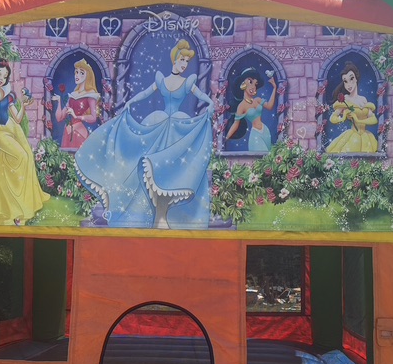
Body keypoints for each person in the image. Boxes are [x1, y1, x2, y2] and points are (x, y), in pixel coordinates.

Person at [75, 39, 213, 229]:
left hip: (178, 129)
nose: (183, 65)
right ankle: (156, 216)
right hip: (159, 124)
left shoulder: (188, 82)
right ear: (174, 59)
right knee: (151, 171)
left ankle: (164, 217)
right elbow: (146, 93)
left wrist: (210, 103)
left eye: (186, 62)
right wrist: (131, 102)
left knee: (169, 174)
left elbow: (201, 96)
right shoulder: (162, 80)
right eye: (181, 60)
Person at [0, 59, 50, 225]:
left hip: (13, 128)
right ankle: (17, 206)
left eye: (4, 76)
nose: (1, 79)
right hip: (0, 132)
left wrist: (24, 105)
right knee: (22, 157)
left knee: (27, 156)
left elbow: (18, 119)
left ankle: (26, 200)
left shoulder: (9, 95)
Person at [325, 62, 378, 153]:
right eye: (345, 81)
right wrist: (342, 118)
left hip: (366, 137)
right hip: (353, 135)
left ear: (356, 79)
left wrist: (359, 120)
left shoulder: (363, 100)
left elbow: (374, 119)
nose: (349, 84)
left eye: (351, 78)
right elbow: (332, 118)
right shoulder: (345, 100)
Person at [50, 59, 100, 150]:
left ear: (87, 75)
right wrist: (59, 101)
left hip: (79, 132)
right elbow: (59, 117)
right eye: (76, 72)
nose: (77, 75)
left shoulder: (91, 94)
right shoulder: (73, 95)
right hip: (67, 132)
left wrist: (76, 116)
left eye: (81, 73)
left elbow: (93, 117)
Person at [225, 67, 278, 152]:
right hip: (256, 135)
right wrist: (226, 138)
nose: (253, 86)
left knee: (269, 160)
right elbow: (236, 124)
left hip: (265, 131)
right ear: (243, 84)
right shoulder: (241, 106)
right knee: (260, 161)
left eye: (255, 84)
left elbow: (270, 106)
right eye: (250, 82)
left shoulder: (257, 100)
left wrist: (274, 88)